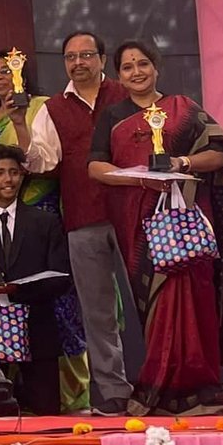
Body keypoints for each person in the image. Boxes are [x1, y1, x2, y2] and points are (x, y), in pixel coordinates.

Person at [89, 40, 223, 416]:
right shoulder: (113, 117)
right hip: (138, 223)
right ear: (118, 76)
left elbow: (222, 154)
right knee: (155, 304)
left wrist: (183, 163)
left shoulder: (184, 109)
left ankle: (202, 391)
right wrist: (138, 180)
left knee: (194, 296)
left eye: (143, 63)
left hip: (187, 219)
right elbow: (96, 168)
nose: (136, 72)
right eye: (127, 67)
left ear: (156, 67)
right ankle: (162, 387)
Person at [0, 49, 91, 413]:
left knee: (57, 307)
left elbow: (44, 161)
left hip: (41, 212)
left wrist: (21, 123)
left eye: (7, 70)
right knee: (2, 301)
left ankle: (74, 397)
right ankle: (6, 395)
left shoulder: (42, 106)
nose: (1, 78)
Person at [29, 31, 141, 415]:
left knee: (154, 302)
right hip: (82, 219)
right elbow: (43, 161)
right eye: (70, 57)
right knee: (97, 312)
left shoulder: (126, 95)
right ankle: (113, 393)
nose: (78, 63)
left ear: (102, 57)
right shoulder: (53, 109)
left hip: (136, 215)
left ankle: (165, 384)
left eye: (86, 55)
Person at [0, 144, 71, 416]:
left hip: (37, 332)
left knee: (47, 418)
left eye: (14, 173)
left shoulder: (46, 222)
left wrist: (17, 289)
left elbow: (62, 279)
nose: (7, 179)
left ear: (22, 176)